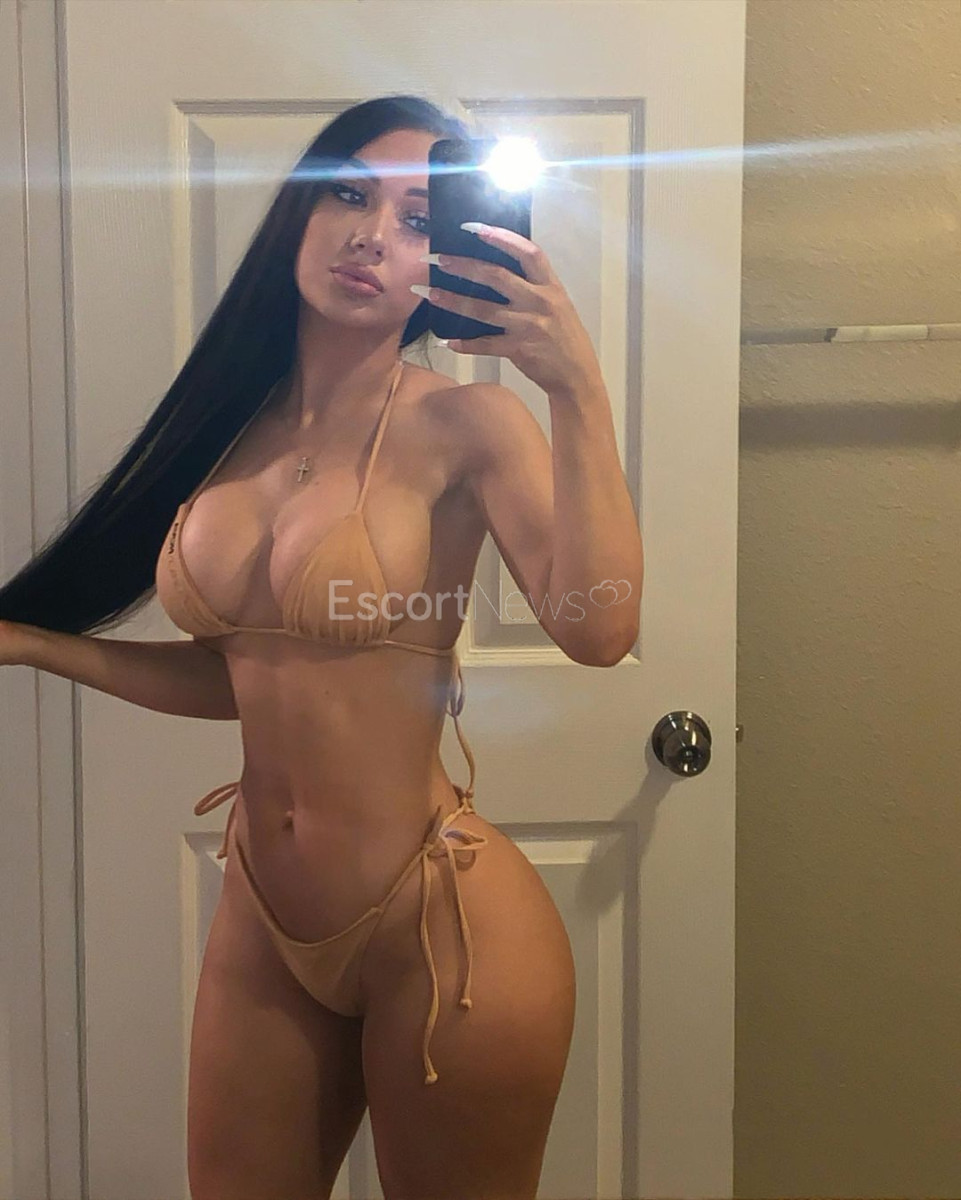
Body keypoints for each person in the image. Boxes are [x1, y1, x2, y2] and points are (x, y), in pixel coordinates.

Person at [0, 94, 642, 1199]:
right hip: (264, 916)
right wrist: (31, 645)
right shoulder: (223, 436)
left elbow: (599, 628)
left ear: (445, 256)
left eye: (416, 218)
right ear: (296, 212)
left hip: (440, 922)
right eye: (347, 193)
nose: (371, 236)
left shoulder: (466, 427)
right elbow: (245, 675)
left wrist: (573, 384)